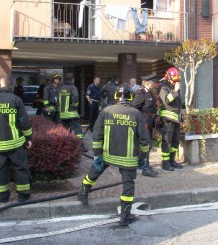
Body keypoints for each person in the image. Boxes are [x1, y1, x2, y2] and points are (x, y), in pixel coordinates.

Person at [77, 84, 150, 226]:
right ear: (130, 97)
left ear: (116, 96)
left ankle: (83, 193)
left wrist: (97, 155)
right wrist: (143, 158)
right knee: (128, 185)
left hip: (107, 154)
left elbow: (97, 135)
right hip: (128, 158)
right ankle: (125, 215)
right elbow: (144, 139)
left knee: (94, 173)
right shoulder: (136, 114)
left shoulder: (106, 111)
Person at [0, 75, 33, 202]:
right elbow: (24, 122)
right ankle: (23, 195)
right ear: (10, 86)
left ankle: (1, 196)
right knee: (20, 169)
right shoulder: (16, 100)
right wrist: (28, 138)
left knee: (1, 171)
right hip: (16, 144)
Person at [132, 73, 159, 177]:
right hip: (144, 121)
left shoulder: (149, 92)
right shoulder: (141, 93)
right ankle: (145, 166)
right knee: (145, 143)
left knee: (147, 143)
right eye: (152, 82)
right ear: (146, 82)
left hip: (149, 120)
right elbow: (134, 107)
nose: (153, 84)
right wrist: (140, 120)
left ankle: (142, 163)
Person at [159, 67, 184, 171]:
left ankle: (172, 160)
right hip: (167, 120)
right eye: (174, 81)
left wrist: (183, 109)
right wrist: (176, 91)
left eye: (177, 81)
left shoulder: (173, 86)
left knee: (175, 140)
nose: (175, 83)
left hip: (176, 119)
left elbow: (178, 101)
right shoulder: (163, 87)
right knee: (167, 141)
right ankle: (165, 163)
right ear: (168, 78)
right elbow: (166, 100)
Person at [59, 73, 86, 152]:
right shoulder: (73, 88)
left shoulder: (61, 88)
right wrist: (75, 106)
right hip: (72, 114)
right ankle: (81, 146)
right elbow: (75, 98)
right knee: (78, 131)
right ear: (72, 79)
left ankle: (66, 146)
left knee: (66, 131)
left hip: (63, 114)